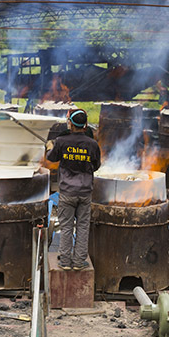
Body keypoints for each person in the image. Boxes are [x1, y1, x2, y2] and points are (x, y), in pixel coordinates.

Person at [45, 109, 101, 270]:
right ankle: (78, 262)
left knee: (66, 226)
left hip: (67, 192)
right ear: (85, 125)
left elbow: (51, 158)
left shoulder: (61, 141)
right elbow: (96, 166)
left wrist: (50, 147)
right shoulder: (92, 144)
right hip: (84, 193)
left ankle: (65, 261)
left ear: (70, 123)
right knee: (83, 227)